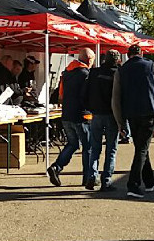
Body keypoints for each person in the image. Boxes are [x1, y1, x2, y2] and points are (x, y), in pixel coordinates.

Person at [112, 43, 154, 199]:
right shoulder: (151, 65)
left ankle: (149, 180)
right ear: (141, 53)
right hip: (149, 110)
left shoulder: (122, 70)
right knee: (142, 148)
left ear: (128, 54)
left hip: (131, 112)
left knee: (141, 146)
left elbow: (116, 98)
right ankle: (133, 184)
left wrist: (120, 123)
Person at [47, 48, 95, 188]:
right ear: (89, 59)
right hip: (82, 115)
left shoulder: (66, 73)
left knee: (73, 144)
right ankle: (87, 177)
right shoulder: (86, 74)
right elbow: (88, 96)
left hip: (66, 114)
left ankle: (57, 167)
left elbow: (60, 95)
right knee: (87, 147)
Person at [86, 50, 122, 191]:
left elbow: (87, 90)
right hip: (112, 114)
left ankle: (91, 176)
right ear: (117, 60)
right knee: (111, 149)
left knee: (94, 148)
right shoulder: (118, 74)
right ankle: (106, 180)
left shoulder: (94, 73)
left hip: (96, 113)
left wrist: (89, 107)